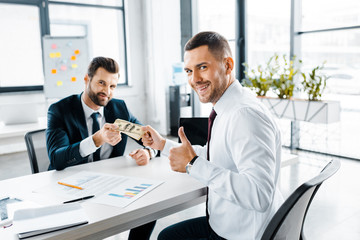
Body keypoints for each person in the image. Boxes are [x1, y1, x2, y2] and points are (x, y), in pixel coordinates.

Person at [141, 32, 284, 240]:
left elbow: (259, 194)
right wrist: (162, 144)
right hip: (225, 223)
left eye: (203, 67)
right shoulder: (228, 107)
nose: (194, 79)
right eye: (189, 71)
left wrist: (193, 164)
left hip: (241, 234)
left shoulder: (243, 115)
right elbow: (214, 156)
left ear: (228, 65)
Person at [46, 56, 156, 240]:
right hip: (71, 186)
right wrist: (96, 140)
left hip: (108, 184)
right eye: (101, 83)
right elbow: (57, 159)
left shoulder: (118, 109)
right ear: (86, 80)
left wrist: (148, 152)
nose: (107, 91)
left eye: (112, 86)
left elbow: (150, 139)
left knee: (150, 207)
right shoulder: (60, 110)